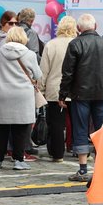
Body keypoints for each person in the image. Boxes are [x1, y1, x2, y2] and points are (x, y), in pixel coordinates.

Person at [59, 14, 103, 182]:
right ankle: (102, 168)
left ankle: (83, 168)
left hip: (80, 94)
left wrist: (62, 94)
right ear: (95, 26)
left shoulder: (75, 44)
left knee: (80, 128)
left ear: (79, 28)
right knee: (102, 130)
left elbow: (68, 73)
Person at [0, 26, 42, 170]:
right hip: (22, 95)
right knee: (21, 129)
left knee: (0, 128)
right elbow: (38, 75)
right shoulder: (30, 54)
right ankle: (19, 160)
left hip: (2, 93)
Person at [39, 15, 77, 162]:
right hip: (75, 89)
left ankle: (57, 154)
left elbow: (44, 71)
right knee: (78, 122)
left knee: (56, 124)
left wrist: (41, 89)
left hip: (54, 89)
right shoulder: (78, 43)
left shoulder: (51, 45)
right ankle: (80, 151)